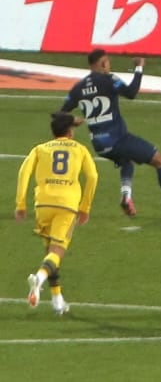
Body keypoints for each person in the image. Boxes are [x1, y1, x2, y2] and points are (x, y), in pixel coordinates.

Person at [60, 50, 161, 220]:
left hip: (99, 145)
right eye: (108, 62)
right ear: (103, 63)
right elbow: (131, 93)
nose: (109, 66)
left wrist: (73, 120)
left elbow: (60, 114)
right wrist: (139, 68)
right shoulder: (109, 80)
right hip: (118, 139)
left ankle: (126, 196)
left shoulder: (78, 88)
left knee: (126, 162)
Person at [15, 112, 99, 315]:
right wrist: (85, 207)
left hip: (43, 204)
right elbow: (93, 176)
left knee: (50, 253)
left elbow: (23, 173)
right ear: (70, 132)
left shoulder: (40, 149)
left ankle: (57, 300)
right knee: (58, 251)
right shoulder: (79, 149)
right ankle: (39, 278)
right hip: (67, 205)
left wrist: (20, 204)